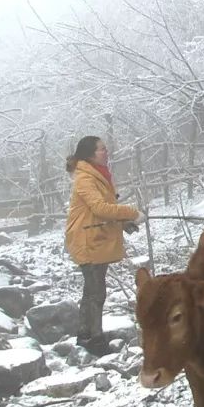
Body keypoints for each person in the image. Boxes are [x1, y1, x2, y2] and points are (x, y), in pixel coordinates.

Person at [64, 136, 145, 356]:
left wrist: (123, 222)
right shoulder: (85, 178)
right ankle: (95, 341)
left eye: (105, 149)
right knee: (96, 291)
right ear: (89, 153)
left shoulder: (96, 174)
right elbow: (100, 208)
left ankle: (86, 335)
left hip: (94, 237)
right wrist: (131, 213)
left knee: (92, 290)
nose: (106, 152)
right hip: (87, 240)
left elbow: (102, 209)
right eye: (101, 149)